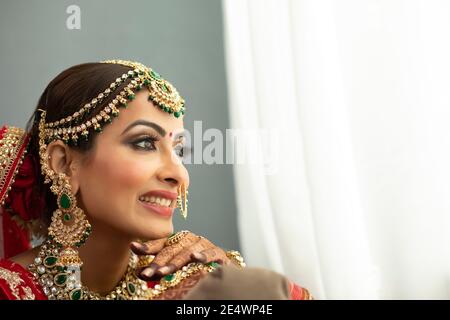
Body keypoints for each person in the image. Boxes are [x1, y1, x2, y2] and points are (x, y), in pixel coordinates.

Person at [0, 60, 312, 300]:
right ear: (64, 163)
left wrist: (232, 283)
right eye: (144, 143)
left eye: (179, 150)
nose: (177, 173)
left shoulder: (186, 285)